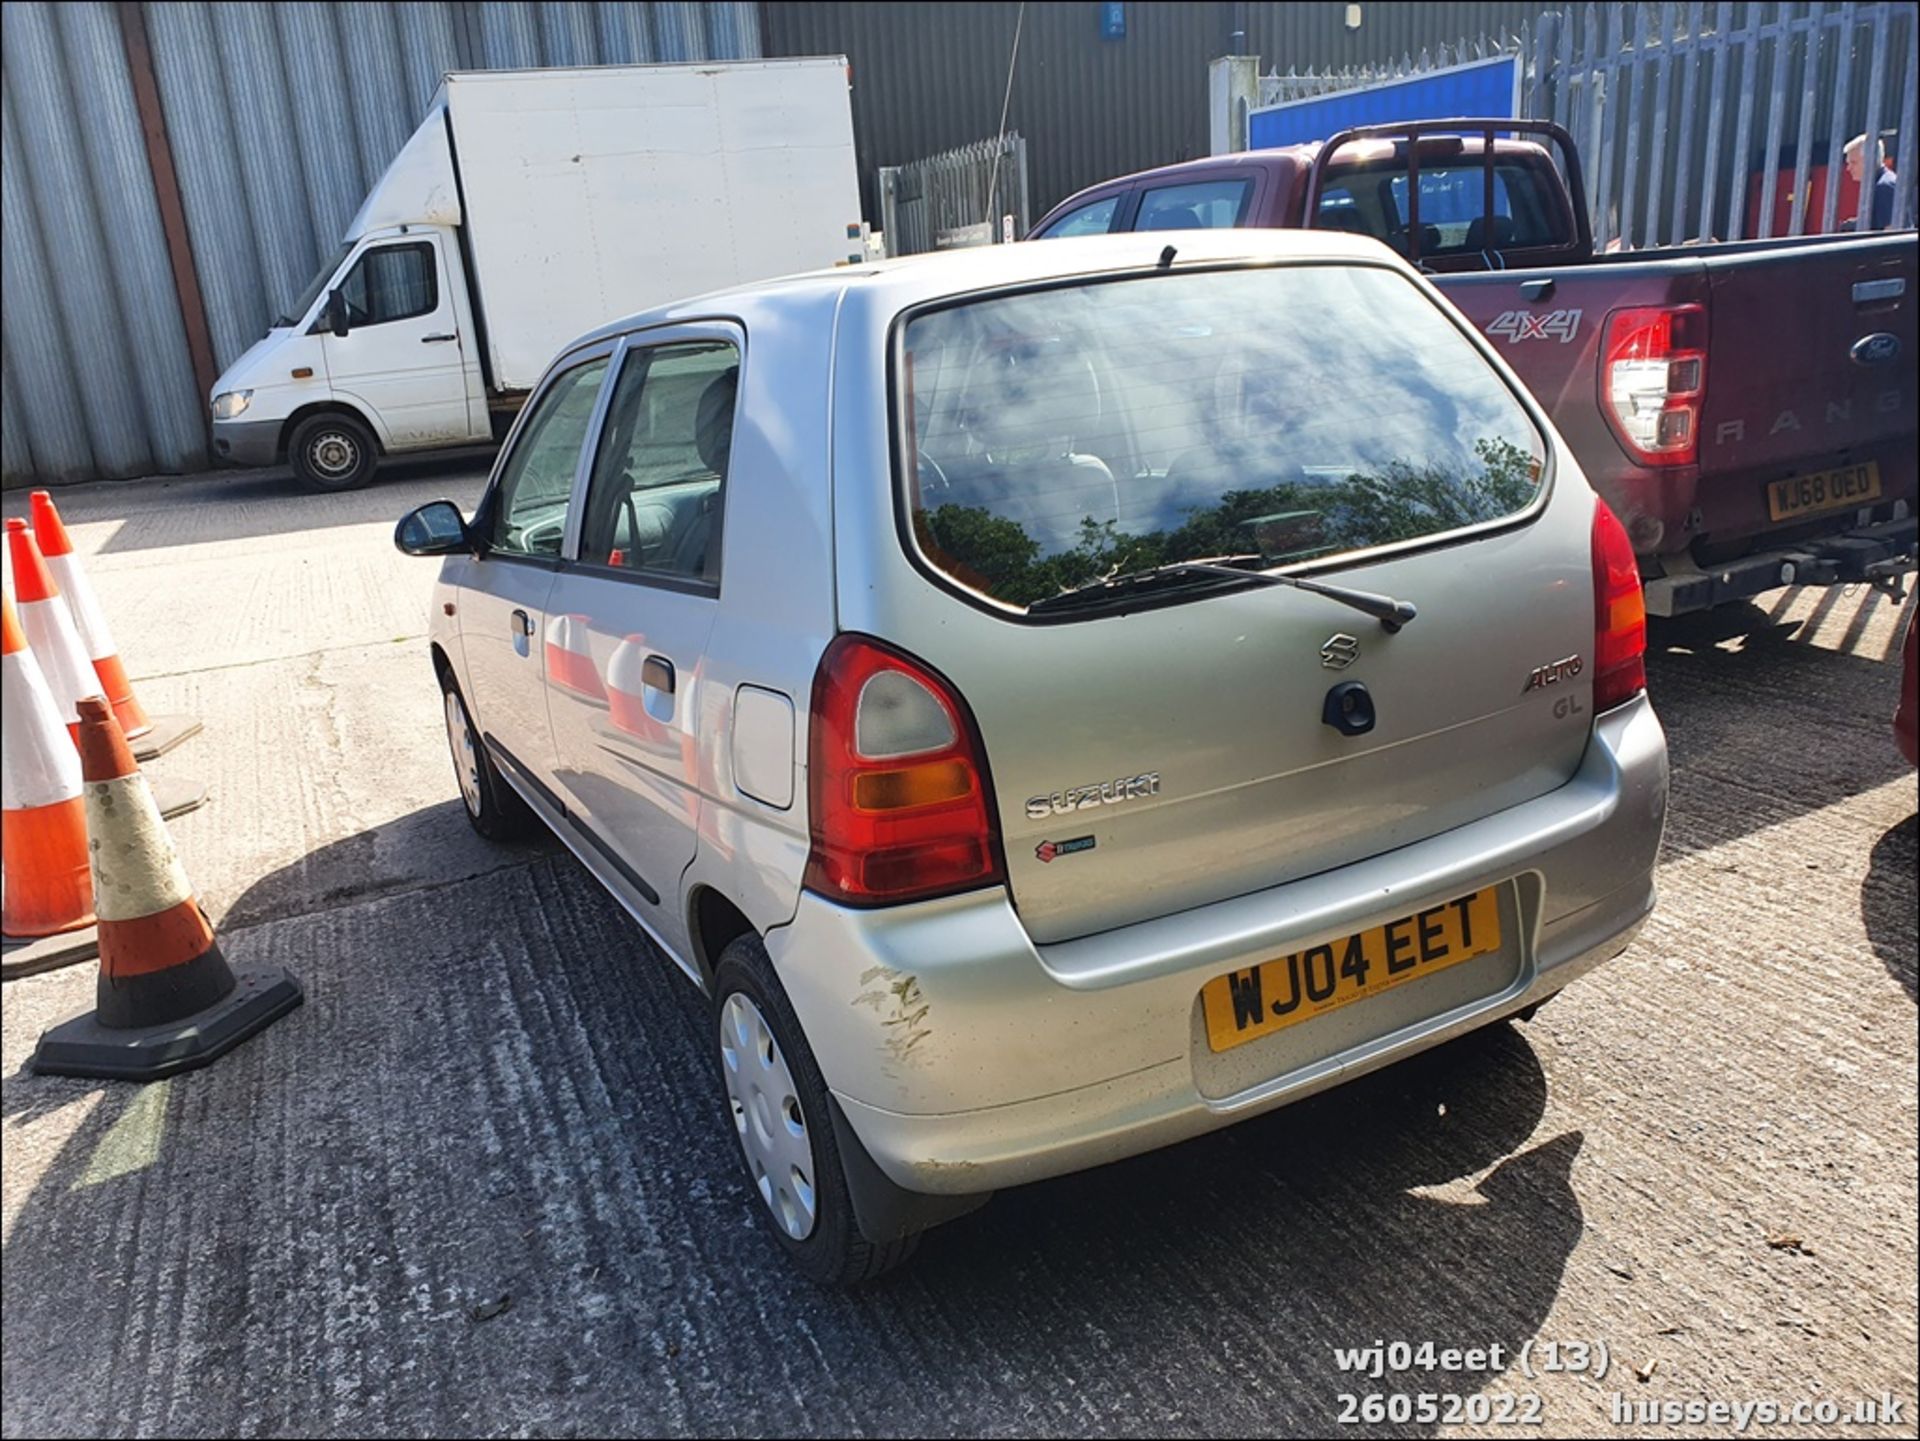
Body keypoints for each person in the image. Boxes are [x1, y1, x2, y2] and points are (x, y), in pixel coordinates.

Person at [1841, 133, 1897, 231]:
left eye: (1853, 162)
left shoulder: (1884, 187)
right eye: (1848, 163)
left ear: (1870, 160)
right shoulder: (1881, 182)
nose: (1848, 168)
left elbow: (1892, 233)